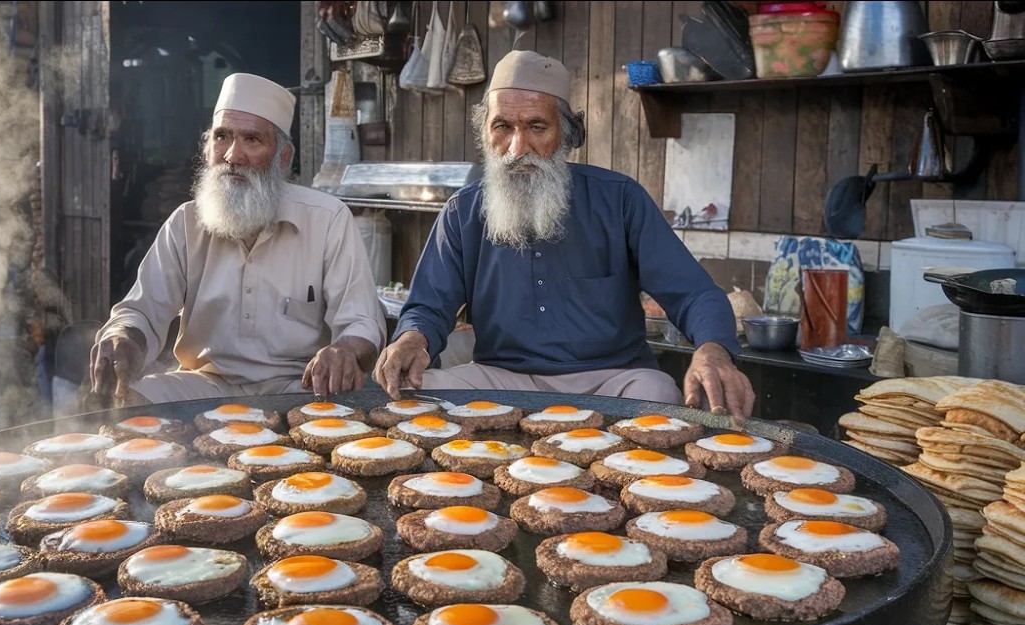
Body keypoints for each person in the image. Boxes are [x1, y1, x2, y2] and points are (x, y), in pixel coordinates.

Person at [373, 51, 756, 418]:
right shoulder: (464, 211)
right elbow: (427, 306)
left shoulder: (619, 200)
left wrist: (713, 350)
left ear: (568, 133)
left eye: (536, 127)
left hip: (611, 380)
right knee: (416, 395)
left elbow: (694, 294)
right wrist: (413, 339)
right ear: (485, 133)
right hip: (501, 380)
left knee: (657, 393)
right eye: (503, 127)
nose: (517, 148)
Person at [90, 73, 386, 407]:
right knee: (125, 404)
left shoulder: (328, 219)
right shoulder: (186, 223)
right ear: (207, 149)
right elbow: (142, 310)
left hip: (299, 388)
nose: (233, 155)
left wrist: (344, 350)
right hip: (204, 385)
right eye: (222, 137)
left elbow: (362, 321)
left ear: (283, 158)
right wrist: (125, 337)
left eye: (252, 140)